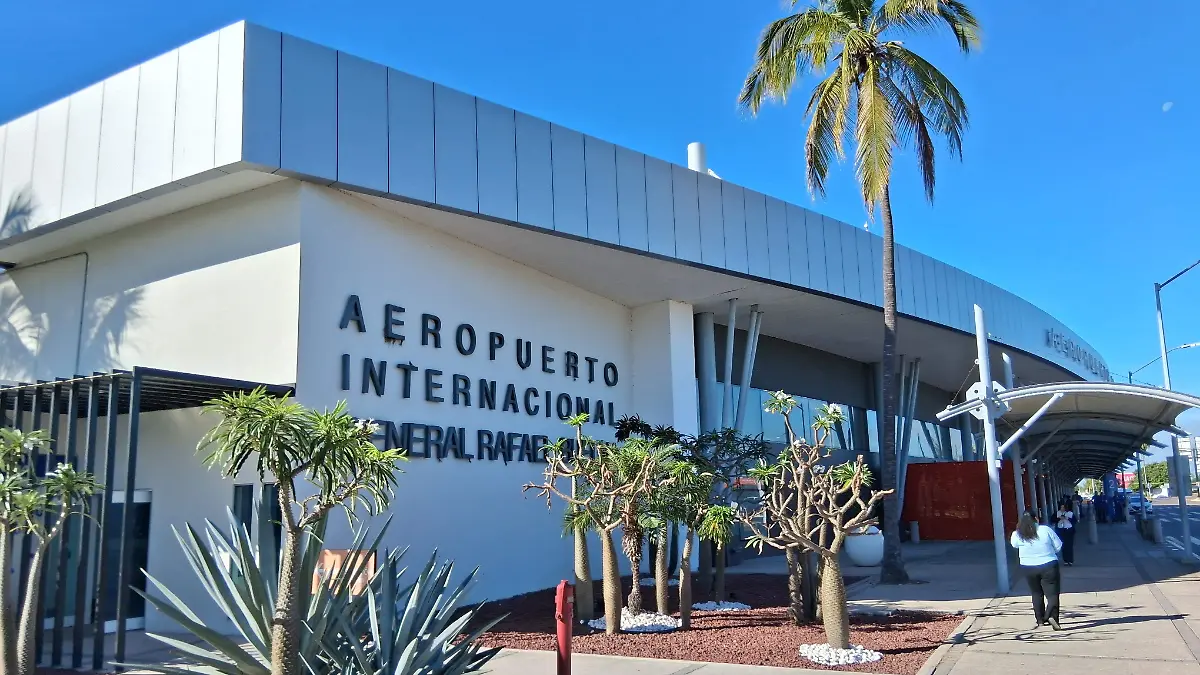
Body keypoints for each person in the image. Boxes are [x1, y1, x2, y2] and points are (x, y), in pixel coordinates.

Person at [1010, 510, 1063, 630]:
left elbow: (1014, 545)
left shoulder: (1017, 534)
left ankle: (1040, 620)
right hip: (1049, 564)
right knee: (1052, 594)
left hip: (1028, 566)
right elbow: (1058, 546)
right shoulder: (1045, 530)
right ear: (1037, 519)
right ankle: (1052, 617)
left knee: (1036, 593)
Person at [1055, 499, 1076, 566]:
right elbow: (1053, 519)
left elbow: (1074, 521)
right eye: (1061, 507)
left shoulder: (1070, 513)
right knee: (1063, 546)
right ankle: (1065, 560)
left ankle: (1070, 560)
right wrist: (1058, 518)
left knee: (1069, 545)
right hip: (1061, 529)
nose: (1062, 509)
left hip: (1068, 530)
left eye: (1063, 507)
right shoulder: (1058, 513)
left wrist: (1067, 518)